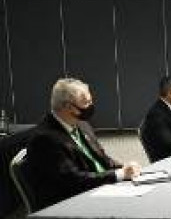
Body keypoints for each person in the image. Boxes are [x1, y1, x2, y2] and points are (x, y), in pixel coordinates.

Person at [26, 78, 141, 210]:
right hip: (69, 203)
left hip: (98, 188)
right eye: (86, 102)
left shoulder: (81, 124)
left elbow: (101, 157)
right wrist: (119, 174)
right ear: (68, 107)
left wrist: (123, 167)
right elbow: (73, 181)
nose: (91, 106)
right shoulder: (45, 139)